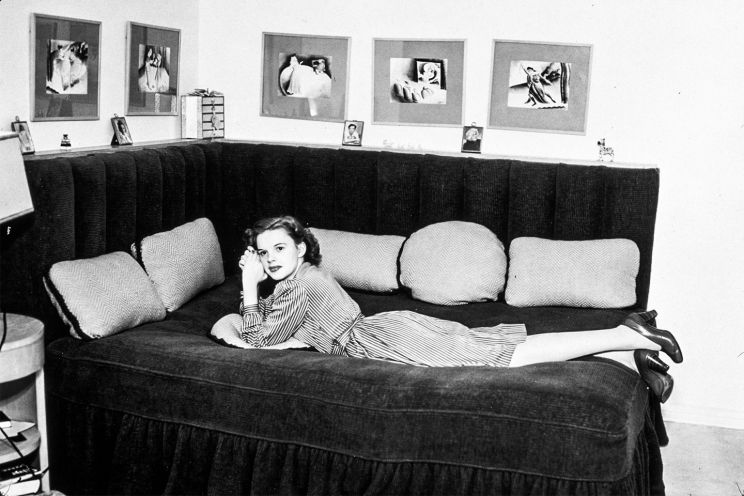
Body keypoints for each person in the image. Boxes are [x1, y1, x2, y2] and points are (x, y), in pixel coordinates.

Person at [212, 216, 682, 402]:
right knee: (501, 344)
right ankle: (632, 352)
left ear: (300, 247)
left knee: (506, 357)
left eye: (279, 248)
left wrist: (249, 287)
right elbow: (278, 328)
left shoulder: (301, 284)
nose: (271, 259)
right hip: (387, 329)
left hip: (378, 340)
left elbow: (256, 339)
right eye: (263, 252)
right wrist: (259, 293)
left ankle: (628, 336)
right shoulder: (302, 280)